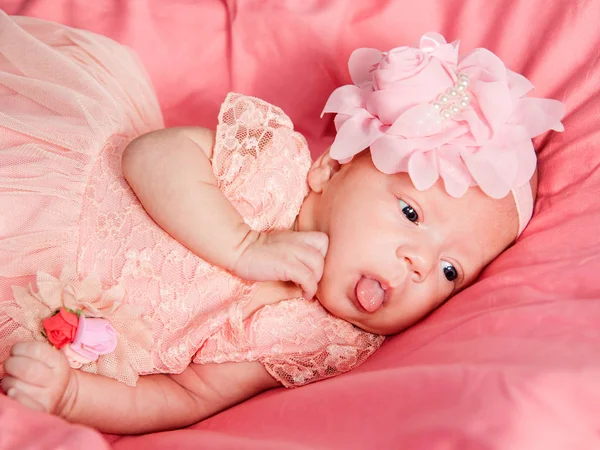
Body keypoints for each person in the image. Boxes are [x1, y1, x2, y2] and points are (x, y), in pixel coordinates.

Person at [0, 12, 563, 434]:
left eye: (449, 270)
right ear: (332, 169)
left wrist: (71, 396)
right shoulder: (274, 169)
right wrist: (245, 246)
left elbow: (186, 396)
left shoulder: (313, 342)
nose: (420, 265)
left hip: (39, 312)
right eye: (411, 213)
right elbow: (149, 157)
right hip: (49, 192)